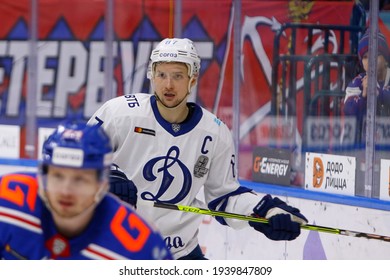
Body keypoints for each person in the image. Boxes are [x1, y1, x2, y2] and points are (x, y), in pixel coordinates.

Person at [89, 38, 308, 260]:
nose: (168, 85)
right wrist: (103, 177)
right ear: (151, 75)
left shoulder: (214, 133)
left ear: (192, 79)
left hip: (179, 253)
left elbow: (225, 195)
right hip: (114, 248)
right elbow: (71, 162)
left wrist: (265, 210)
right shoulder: (120, 114)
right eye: (161, 75)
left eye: (177, 76)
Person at [0, 121, 172, 260]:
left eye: (80, 179)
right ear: (43, 176)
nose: (66, 190)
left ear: (102, 183)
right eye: (58, 176)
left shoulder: (141, 248)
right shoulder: (6, 201)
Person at [343, 29, 390, 143]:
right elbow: (348, 110)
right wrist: (364, 96)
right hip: (363, 147)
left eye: (376, 54)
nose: (370, 60)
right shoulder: (358, 82)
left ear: (386, 60)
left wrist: (379, 94)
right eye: (365, 57)